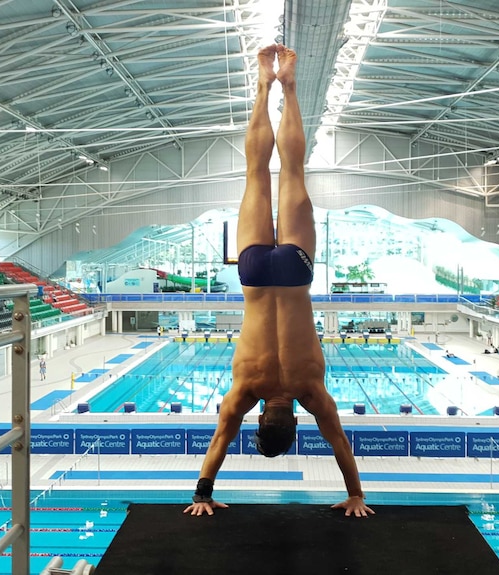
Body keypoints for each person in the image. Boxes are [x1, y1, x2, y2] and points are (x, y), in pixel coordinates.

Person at [183, 45, 372, 519]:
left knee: (290, 172)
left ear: (292, 422)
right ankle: (263, 85)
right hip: (252, 272)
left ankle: (285, 84)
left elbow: (340, 445)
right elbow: (220, 442)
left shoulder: (312, 392)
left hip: (294, 273)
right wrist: (201, 495)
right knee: (256, 176)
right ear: (263, 419)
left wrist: (357, 495)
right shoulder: (246, 391)